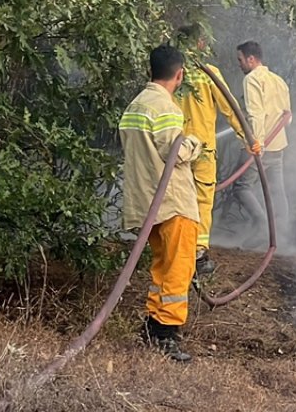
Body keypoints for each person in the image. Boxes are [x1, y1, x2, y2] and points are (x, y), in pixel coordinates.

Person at [120, 44, 203, 362]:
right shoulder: (166, 107)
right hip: (173, 204)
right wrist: (195, 143)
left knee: (162, 270)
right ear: (179, 74)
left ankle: (153, 326)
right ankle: (166, 335)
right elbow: (176, 152)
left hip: (148, 203)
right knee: (178, 271)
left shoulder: (135, 105)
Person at [173, 23, 260, 275]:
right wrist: (248, 138)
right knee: (201, 201)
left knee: (174, 200)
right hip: (201, 151)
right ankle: (198, 254)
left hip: (174, 151)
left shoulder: (172, 73)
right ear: (200, 43)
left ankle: (174, 248)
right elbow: (231, 108)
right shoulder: (207, 73)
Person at [234, 40, 292, 245]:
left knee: (241, 187)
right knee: (277, 189)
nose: (239, 64)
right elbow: (288, 116)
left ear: (251, 59)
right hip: (278, 145)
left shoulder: (251, 80)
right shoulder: (278, 80)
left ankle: (262, 226)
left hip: (258, 146)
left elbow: (255, 114)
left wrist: (257, 143)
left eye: (240, 60)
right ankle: (281, 234)